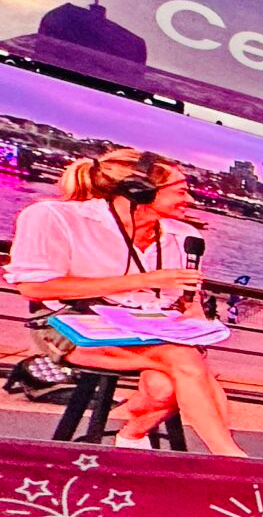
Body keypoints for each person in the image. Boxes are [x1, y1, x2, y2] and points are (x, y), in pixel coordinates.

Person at [5, 148, 247, 455]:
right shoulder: (53, 216)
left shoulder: (182, 234)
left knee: (167, 385)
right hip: (70, 329)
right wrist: (145, 280)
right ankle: (230, 458)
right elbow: (34, 287)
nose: (190, 201)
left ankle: (131, 434)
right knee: (184, 362)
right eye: (181, 191)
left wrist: (199, 331)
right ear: (139, 191)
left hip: (153, 333)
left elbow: (188, 302)